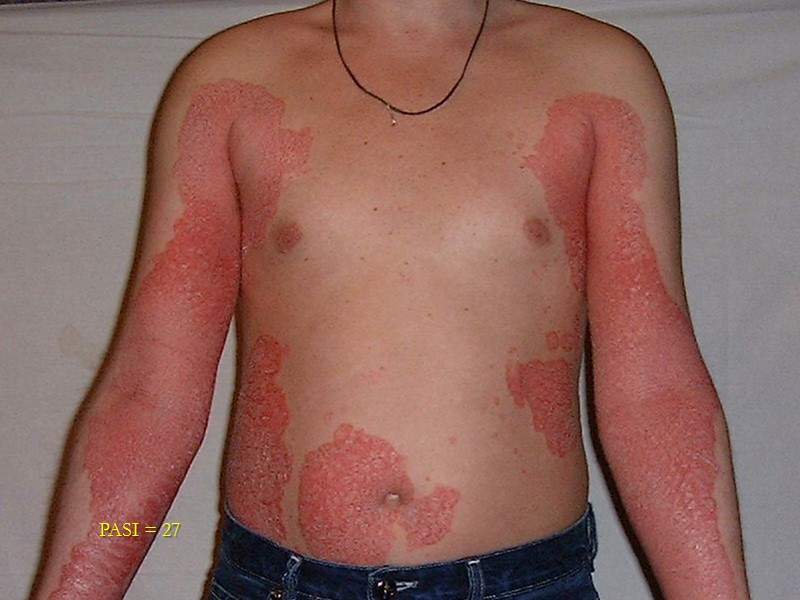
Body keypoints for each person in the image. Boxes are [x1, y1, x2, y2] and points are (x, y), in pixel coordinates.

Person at [29, 0, 751, 598]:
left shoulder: (599, 75)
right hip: (276, 584)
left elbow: (657, 393)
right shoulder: (231, 82)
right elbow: (149, 394)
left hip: (525, 585)